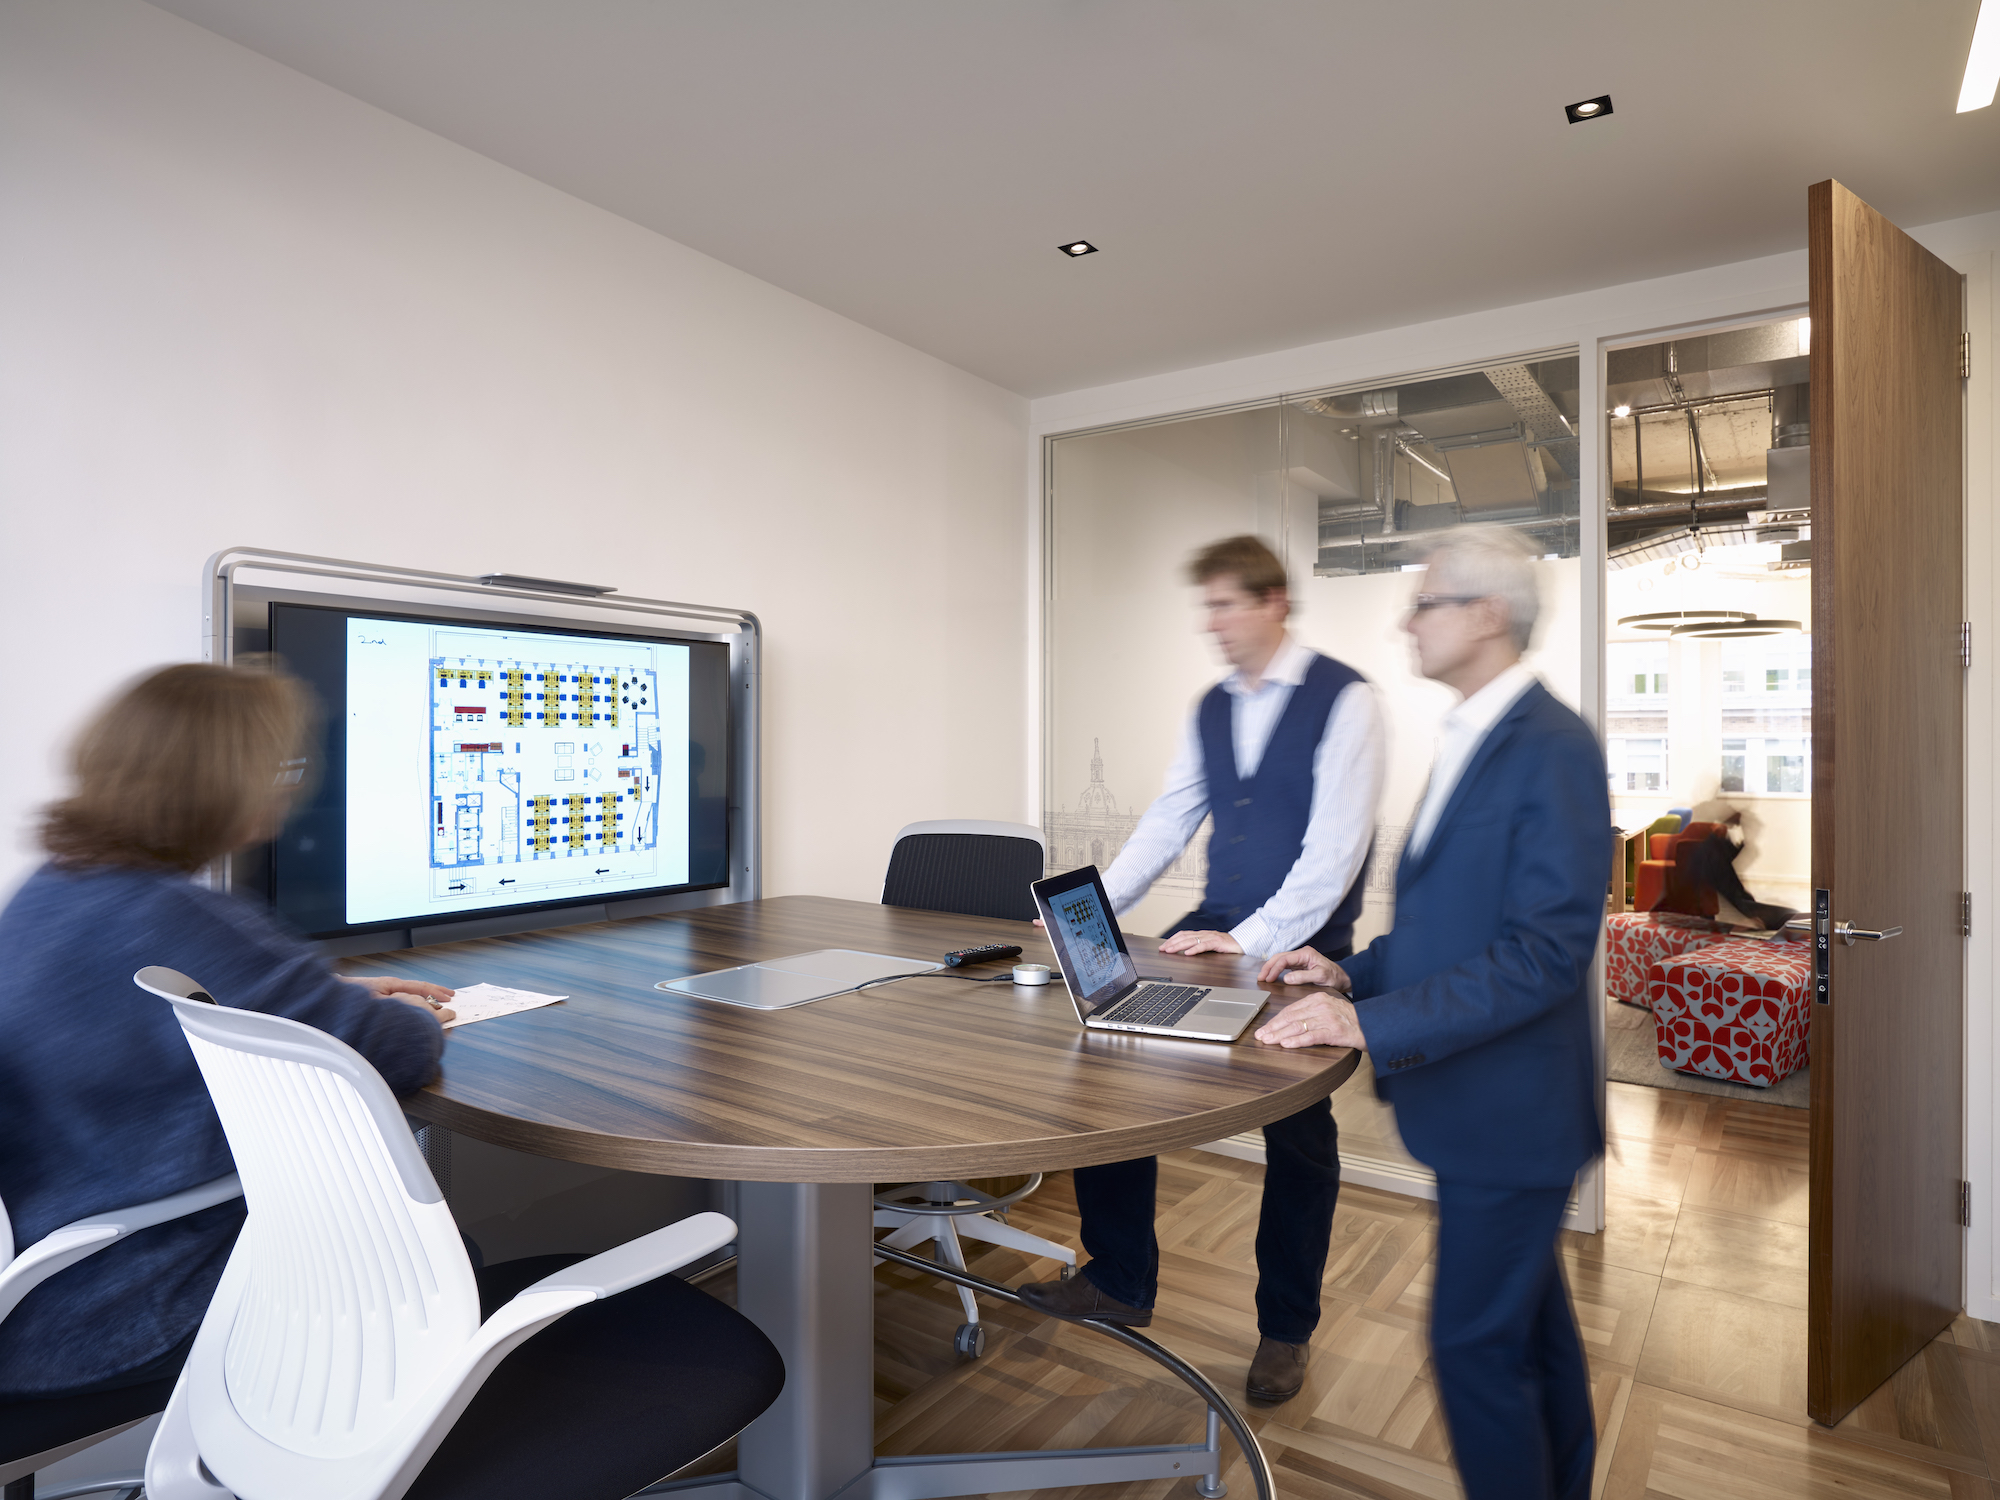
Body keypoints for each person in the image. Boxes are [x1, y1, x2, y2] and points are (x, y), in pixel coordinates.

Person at [1255, 526, 1607, 1500]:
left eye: (1423, 603)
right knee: (1529, 1335)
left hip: (1513, 1119)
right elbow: (1448, 930)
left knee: (1470, 1348)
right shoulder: (1476, 736)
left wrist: (1368, 1027)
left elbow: (1543, 953)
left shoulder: (1551, 749)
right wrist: (1346, 975)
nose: (1405, 623)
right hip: (1489, 1117)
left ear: (1485, 615)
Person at [0, 661, 455, 1401]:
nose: (290, 786)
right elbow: (394, 1053)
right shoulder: (173, 914)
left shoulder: (57, 886)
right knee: (439, 1268)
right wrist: (410, 1016)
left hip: (35, 1284)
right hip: (120, 1302)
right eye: (281, 767)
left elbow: (160, 1016)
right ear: (228, 783)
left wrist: (324, 996)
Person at [1019, 534, 1384, 1404]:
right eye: (1206, 606)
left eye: (1224, 605)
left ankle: (1286, 1328)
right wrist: (1091, 906)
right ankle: (1119, 1278)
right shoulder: (1212, 707)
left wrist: (1249, 941)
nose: (1210, 623)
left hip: (1302, 945)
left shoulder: (1347, 701)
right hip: (1216, 930)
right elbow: (1169, 818)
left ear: (1272, 603)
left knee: (1297, 1135)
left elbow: (1335, 854)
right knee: (1106, 1069)